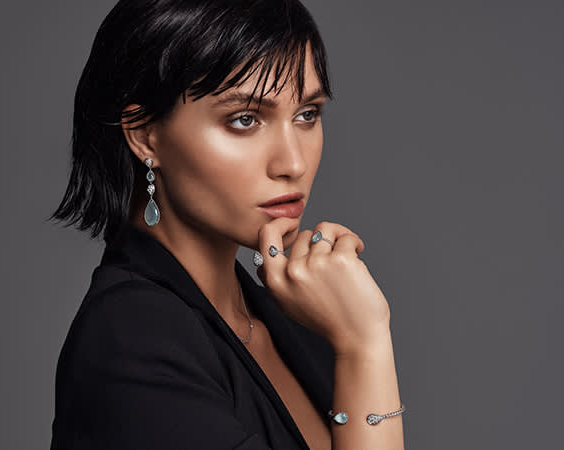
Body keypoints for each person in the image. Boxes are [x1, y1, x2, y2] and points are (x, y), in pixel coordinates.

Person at [49, 0, 404, 448]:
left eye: (307, 115)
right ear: (144, 134)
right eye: (245, 120)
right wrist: (363, 345)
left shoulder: (292, 318)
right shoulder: (131, 341)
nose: (293, 163)